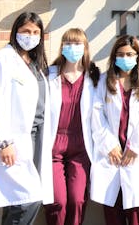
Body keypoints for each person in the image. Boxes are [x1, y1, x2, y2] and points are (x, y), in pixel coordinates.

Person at [0, 11, 53, 224]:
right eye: (25, 31)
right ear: (15, 32)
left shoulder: (34, 63)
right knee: (26, 200)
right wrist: (2, 142)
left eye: (35, 32)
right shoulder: (2, 60)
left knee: (20, 199)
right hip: (14, 140)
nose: (30, 35)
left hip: (37, 137)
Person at [90, 35, 139, 225]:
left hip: (135, 156)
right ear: (114, 57)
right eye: (121, 54)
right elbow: (96, 114)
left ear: (137, 56)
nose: (125, 58)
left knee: (136, 213)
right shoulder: (104, 81)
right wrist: (109, 146)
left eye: (130, 54)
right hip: (111, 154)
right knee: (113, 212)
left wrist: (135, 146)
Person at [45, 28, 101, 225]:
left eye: (77, 44)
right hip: (53, 146)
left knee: (77, 200)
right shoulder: (49, 75)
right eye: (68, 43)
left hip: (81, 146)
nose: (72, 48)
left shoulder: (94, 78)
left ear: (85, 48)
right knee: (57, 201)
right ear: (62, 47)